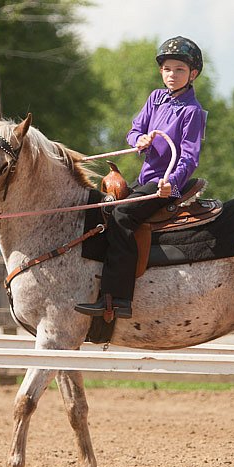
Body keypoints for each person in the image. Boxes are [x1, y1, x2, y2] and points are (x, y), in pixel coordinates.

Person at [75, 36, 207, 319]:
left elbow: (189, 156)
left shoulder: (193, 112)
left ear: (193, 74)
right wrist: (140, 139)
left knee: (122, 215)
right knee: (105, 207)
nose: (172, 75)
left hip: (167, 184)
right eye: (168, 69)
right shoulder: (155, 98)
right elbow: (134, 131)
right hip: (145, 178)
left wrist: (172, 181)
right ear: (161, 71)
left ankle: (118, 300)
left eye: (180, 70)